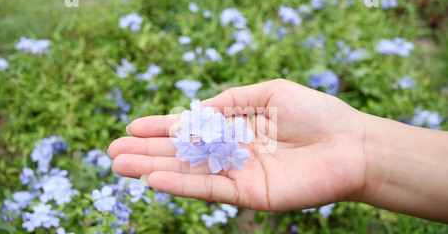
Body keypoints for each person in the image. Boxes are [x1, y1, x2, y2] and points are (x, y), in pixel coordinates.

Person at [107, 79, 448, 224]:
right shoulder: (210, 140)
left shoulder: (228, 137)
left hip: (226, 143)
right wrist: (362, 153)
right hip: (221, 144)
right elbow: (201, 148)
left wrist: (360, 147)